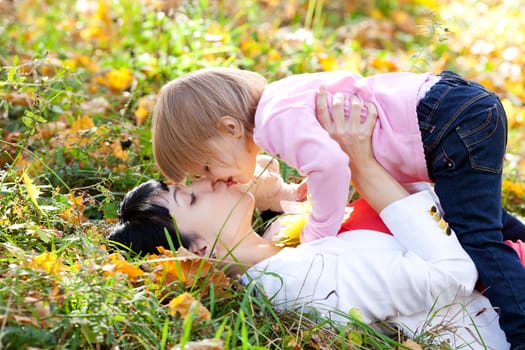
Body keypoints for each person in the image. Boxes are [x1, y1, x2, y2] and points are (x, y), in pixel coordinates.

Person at [151, 67, 525, 347]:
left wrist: (305, 213)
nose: (211, 179)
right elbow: (450, 274)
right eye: (192, 193)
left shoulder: (274, 130)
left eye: (204, 170)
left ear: (231, 127)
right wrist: (351, 170)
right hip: (449, 108)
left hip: (443, 119)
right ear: (196, 250)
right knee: (486, 230)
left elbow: (328, 170)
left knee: (482, 232)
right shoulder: (290, 277)